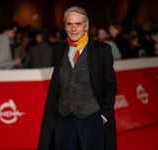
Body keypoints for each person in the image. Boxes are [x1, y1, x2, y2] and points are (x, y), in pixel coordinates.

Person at [38, 6, 118, 150]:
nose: (73, 28)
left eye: (78, 24)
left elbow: (111, 85)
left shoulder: (102, 50)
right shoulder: (58, 49)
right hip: (63, 120)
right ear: (65, 26)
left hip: (92, 118)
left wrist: (104, 116)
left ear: (86, 25)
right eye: (69, 24)